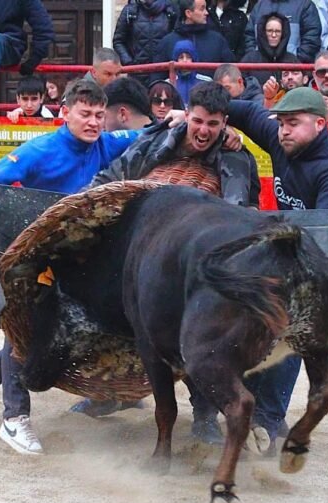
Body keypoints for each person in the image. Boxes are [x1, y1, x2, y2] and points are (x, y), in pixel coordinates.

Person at [0, 79, 144, 455]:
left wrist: (182, 119)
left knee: (35, 338)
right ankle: (13, 418)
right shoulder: (40, 149)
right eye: (85, 114)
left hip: (72, 258)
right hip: (32, 256)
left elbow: (145, 134)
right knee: (21, 331)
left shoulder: (107, 144)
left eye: (99, 116)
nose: (93, 123)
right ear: (65, 112)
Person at [79, 82, 260, 440]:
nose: (203, 131)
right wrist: (83, 206)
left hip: (193, 253)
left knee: (199, 328)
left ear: (224, 123)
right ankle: (102, 393)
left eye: (212, 124)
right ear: (187, 116)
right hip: (134, 244)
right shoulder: (155, 140)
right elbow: (111, 178)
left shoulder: (235, 157)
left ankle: (205, 413)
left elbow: (237, 211)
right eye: (198, 121)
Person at [224, 86, 328, 450]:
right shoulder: (285, 140)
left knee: (294, 329)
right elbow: (245, 110)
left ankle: (266, 420)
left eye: (293, 123)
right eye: (280, 123)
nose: (283, 130)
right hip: (297, 261)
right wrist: (201, 112)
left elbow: (315, 245)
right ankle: (249, 413)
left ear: (320, 124)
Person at [151, 0, 235, 83]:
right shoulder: (167, 42)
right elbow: (158, 80)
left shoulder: (217, 40)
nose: (206, 13)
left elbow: (230, 71)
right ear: (188, 13)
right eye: (202, 9)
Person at [113, 0, 177, 84]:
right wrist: (129, 62)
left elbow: (175, 39)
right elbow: (118, 41)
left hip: (163, 73)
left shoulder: (170, 11)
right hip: (137, 74)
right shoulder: (130, 11)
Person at [245, 0, 322, 63]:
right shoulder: (259, 6)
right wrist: (254, 58)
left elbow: (311, 38)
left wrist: (295, 61)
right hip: (260, 69)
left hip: (291, 71)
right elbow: (249, 36)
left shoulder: (305, 5)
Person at [240, 12, 300, 86]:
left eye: (278, 31)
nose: (274, 35)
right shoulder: (249, 60)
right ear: (263, 32)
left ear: (283, 33)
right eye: (269, 31)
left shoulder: (292, 60)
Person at [171, 40, 213, 105]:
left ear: (193, 59)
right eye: (181, 57)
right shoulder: (169, 83)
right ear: (176, 60)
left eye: (188, 57)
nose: (184, 60)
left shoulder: (207, 82)